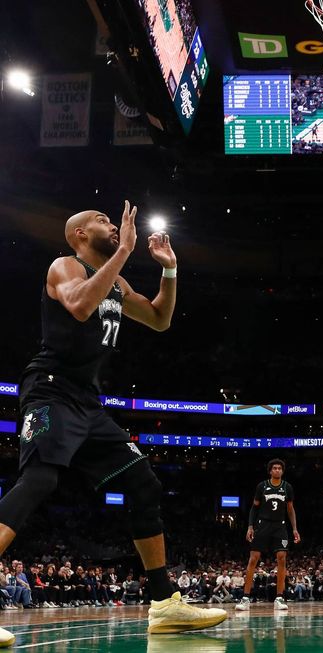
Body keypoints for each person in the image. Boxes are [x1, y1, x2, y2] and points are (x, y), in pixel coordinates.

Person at [0, 202, 224, 636]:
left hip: (87, 402)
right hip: (49, 391)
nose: (111, 223)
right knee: (40, 480)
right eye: (100, 219)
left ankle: (163, 604)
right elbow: (81, 306)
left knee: (144, 482)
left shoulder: (117, 282)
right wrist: (124, 250)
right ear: (79, 234)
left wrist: (170, 271)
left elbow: (159, 319)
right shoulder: (65, 266)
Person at [235, 459, 299, 612]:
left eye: (279, 468)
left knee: (282, 558)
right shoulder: (262, 486)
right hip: (263, 524)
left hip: (280, 526)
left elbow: (290, 509)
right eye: (274, 468)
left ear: (282, 471)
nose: (277, 470)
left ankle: (279, 597)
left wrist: (295, 529)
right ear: (270, 471)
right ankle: (245, 598)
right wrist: (250, 526)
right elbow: (253, 508)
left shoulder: (287, 487)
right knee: (253, 559)